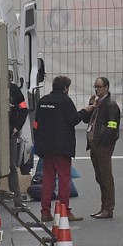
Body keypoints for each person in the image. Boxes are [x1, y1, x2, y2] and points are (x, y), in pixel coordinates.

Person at [35, 76, 93, 222]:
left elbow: (36, 123)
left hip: (46, 146)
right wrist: (86, 110)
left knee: (48, 179)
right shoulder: (65, 101)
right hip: (61, 147)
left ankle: (45, 211)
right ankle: (64, 211)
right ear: (66, 88)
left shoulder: (43, 101)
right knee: (64, 178)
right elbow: (73, 119)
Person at [83, 77, 121, 219]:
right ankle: (103, 206)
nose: (97, 89)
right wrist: (90, 106)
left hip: (102, 145)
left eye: (99, 86)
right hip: (95, 143)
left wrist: (104, 141)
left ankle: (108, 208)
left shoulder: (111, 105)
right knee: (99, 177)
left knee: (105, 177)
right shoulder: (98, 103)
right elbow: (87, 120)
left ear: (106, 87)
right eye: (95, 87)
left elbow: (112, 126)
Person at [8, 78, 28, 200]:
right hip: (8, 131)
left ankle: (17, 196)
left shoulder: (14, 90)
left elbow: (23, 108)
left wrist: (16, 127)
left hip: (10, 133)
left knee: (12, 165)